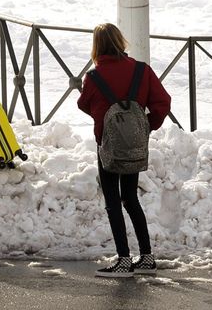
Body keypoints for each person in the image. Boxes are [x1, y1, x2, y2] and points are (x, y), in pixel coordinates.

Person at [77, 23, 171, 277]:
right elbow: (163, 102)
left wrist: (106, 114)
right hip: (135, 146)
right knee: (130, 197)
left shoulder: (94, 77)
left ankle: (123, 261)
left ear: (96, 46)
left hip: (108, 146)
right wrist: (146, 127)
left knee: (113, 201)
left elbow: (83, 103)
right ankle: (147, 257)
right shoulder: (142, 70)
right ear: (120, 41)